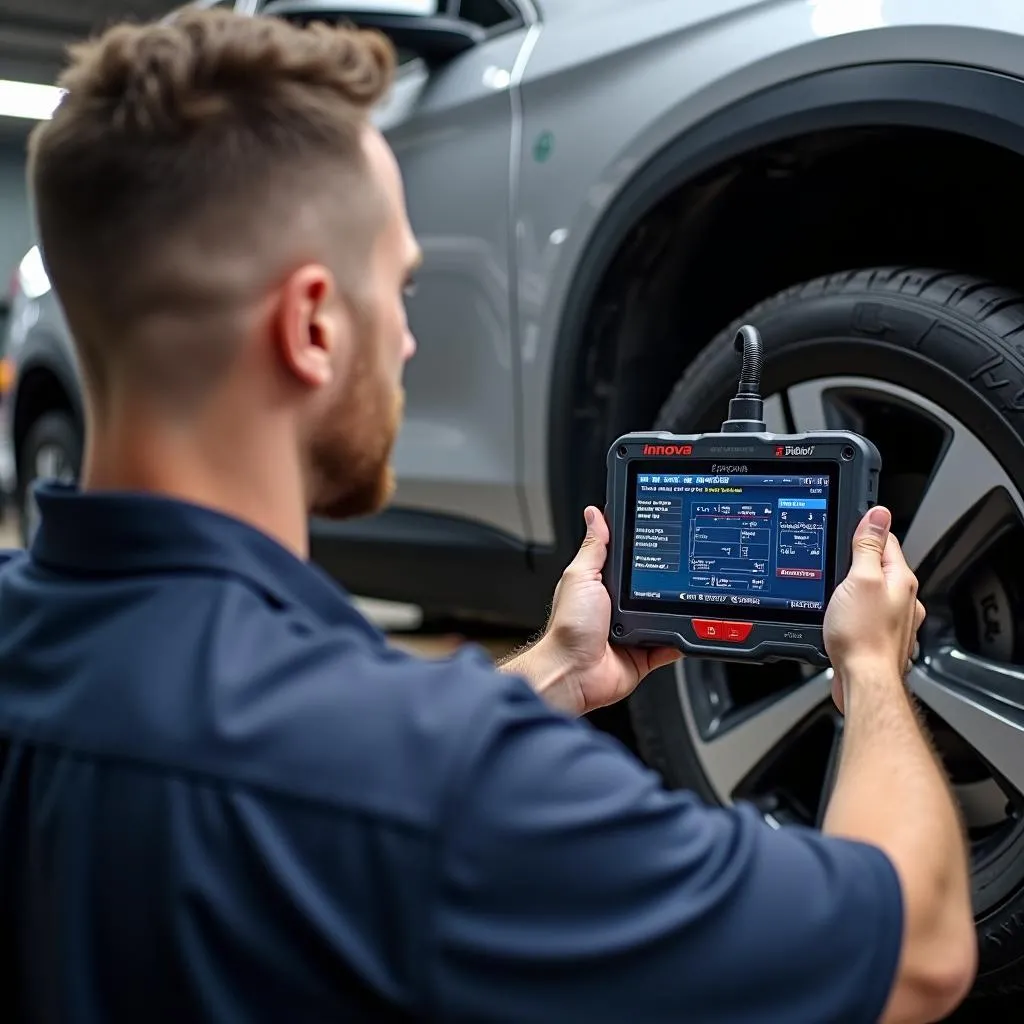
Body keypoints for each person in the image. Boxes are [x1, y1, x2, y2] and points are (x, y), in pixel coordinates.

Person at [0, 9, 975, 1023]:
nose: (410, 343)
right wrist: (870, 673)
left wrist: (552, 669)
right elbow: (919, 947)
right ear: (312, 325)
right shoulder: (449, 783)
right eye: (400, 289)